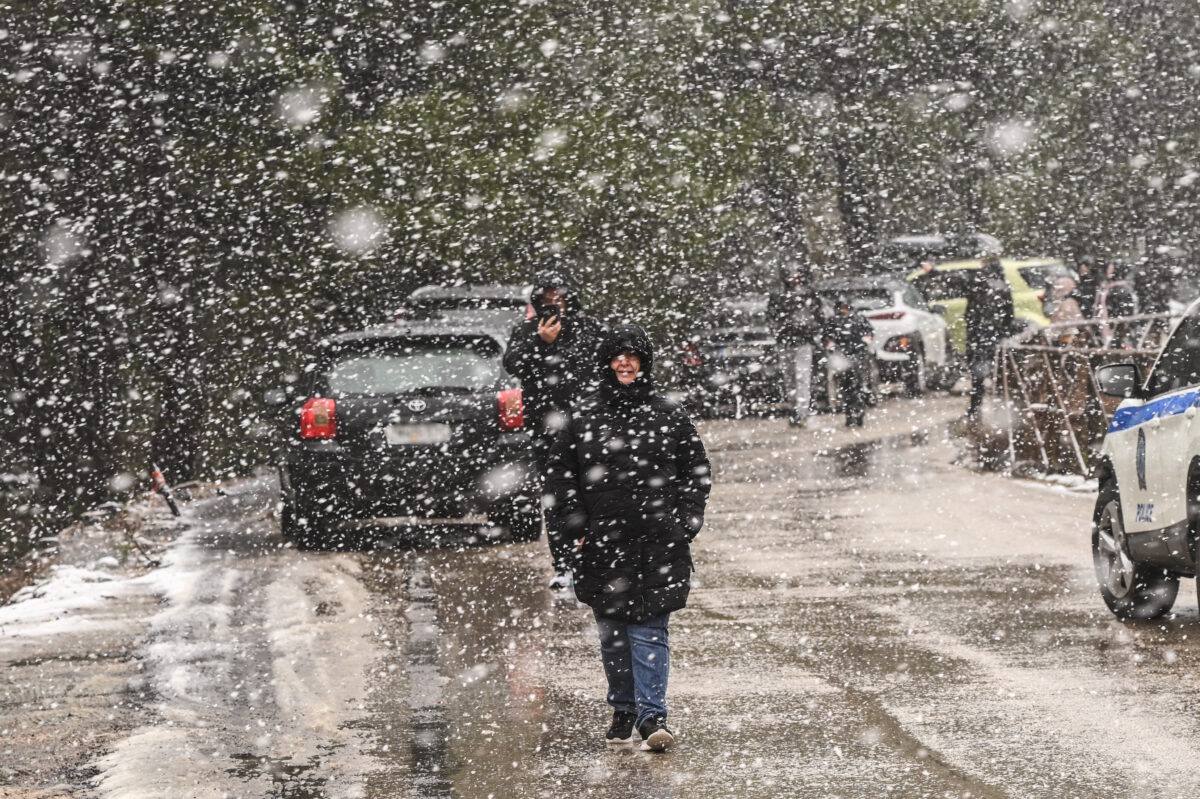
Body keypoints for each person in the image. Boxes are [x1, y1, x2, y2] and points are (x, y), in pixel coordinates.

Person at [544, 323, 711, 752]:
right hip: (603, 542)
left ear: (644, 362)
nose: (625, 361)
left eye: (633, 355)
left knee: (651, 628)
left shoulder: (668, 414)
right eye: (618, 355)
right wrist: (577, 528)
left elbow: (697, 471)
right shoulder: (582, 416)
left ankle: (653, 715)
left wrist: (686, 521)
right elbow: (561, 479)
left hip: (659, 541)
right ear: (606, 362)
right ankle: (623, 708)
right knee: (613, 632)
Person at [503, 270, 606, 590]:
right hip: (544, 429)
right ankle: (563, 565)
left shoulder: (588, 328)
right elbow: (512, 365)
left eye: (558, 298)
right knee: (556, 498)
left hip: (588, 425)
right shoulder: (525, 330)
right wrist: (540, 341)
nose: (553, 304)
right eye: (546, 299)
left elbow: (602, 365)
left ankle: (595, 560)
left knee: (596, 495)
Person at [915, 256, 1014, 417]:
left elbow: (953, 280)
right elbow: (1009, 314)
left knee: (978, 372)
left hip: (978, 333)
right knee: (995, 371)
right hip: (993, 334)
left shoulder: (979, 281)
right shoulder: (1003, 285)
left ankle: (976, 407)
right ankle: (1001, 406)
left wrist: (932, 272)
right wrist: (1003, 333)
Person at [767, 263, 824, 427]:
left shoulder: (809, 295)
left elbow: (818, 317)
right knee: (789, 379)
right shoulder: (778, 297)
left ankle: (801, 412)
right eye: (790, 275)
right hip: (786, 342)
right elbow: (772, 317)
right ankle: (794, 411)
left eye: (796, 275)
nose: (794, 279)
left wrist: (811, 332)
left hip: (802, 342)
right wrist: (779, 332)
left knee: (802, 377)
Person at [822, 297, 874, 427]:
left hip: (858, 357)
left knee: (859, 385)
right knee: (845, 387)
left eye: (846, 308)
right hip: (842, 359)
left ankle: (859, 409)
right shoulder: (833, 322)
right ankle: (849, 413)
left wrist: (862, 345)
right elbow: (826, 339)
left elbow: (869, 334)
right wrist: (833, 348)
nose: (843, 311)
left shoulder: (859, 320)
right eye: (841, 308)